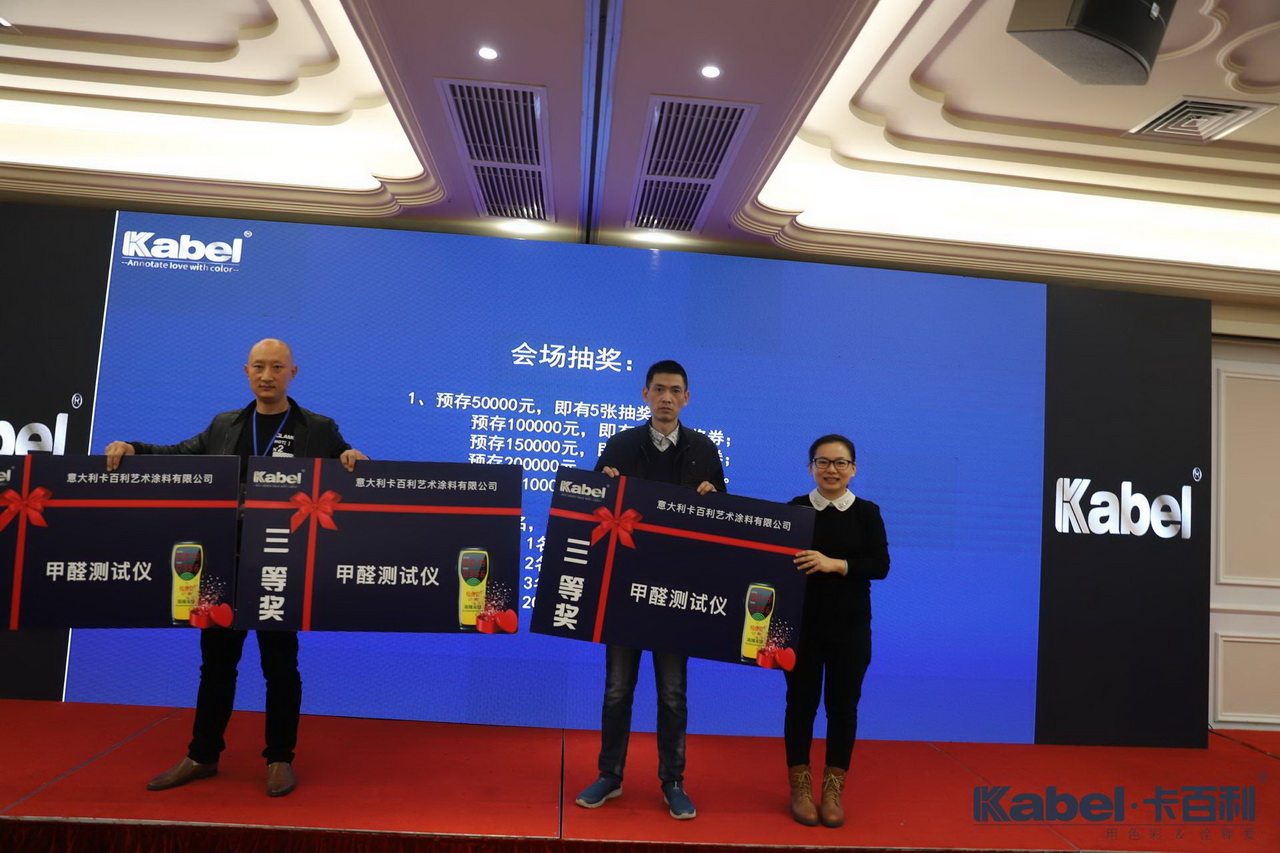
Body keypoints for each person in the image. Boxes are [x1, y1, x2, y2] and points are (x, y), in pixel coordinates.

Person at [104, 338, 367, 798]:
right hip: (223, 562)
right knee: (216, 666)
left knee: (281, 667)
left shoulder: (318, 429)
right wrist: (134, 447)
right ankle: (202, 755)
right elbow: (181, 454)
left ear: (293, 373)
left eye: (277, 367)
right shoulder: (225, 425)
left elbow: (346, 467)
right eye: (259, 367)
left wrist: (352, 458)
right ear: (246, 372)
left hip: (280, 565)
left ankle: (280, 759)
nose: (267, 376)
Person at [574, 360, 727, 820]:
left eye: (675, 390)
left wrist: (714, 498)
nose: (666, 397)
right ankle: (610, 775)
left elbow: (722, 525)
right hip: (624, 591)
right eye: (658, 389)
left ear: (686, 398)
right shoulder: (620, 445)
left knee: (673, 694)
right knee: (617, 689)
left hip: (676, 595)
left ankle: (673, 781)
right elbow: (592, 514)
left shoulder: (704, 449)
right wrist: (601, 488)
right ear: (645, 395)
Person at [785, 434, 889, 828]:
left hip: (850, 628)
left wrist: (836, 564)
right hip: (801, 626)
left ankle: (832, 790)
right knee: (800, 705)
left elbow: (880, 565)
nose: (832, 470)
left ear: (853, 469)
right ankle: (800, 788)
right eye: (823, 462)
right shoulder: (795, 509)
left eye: (840, 463)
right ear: (810, 467)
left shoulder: (867, 513)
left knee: (843, 708)